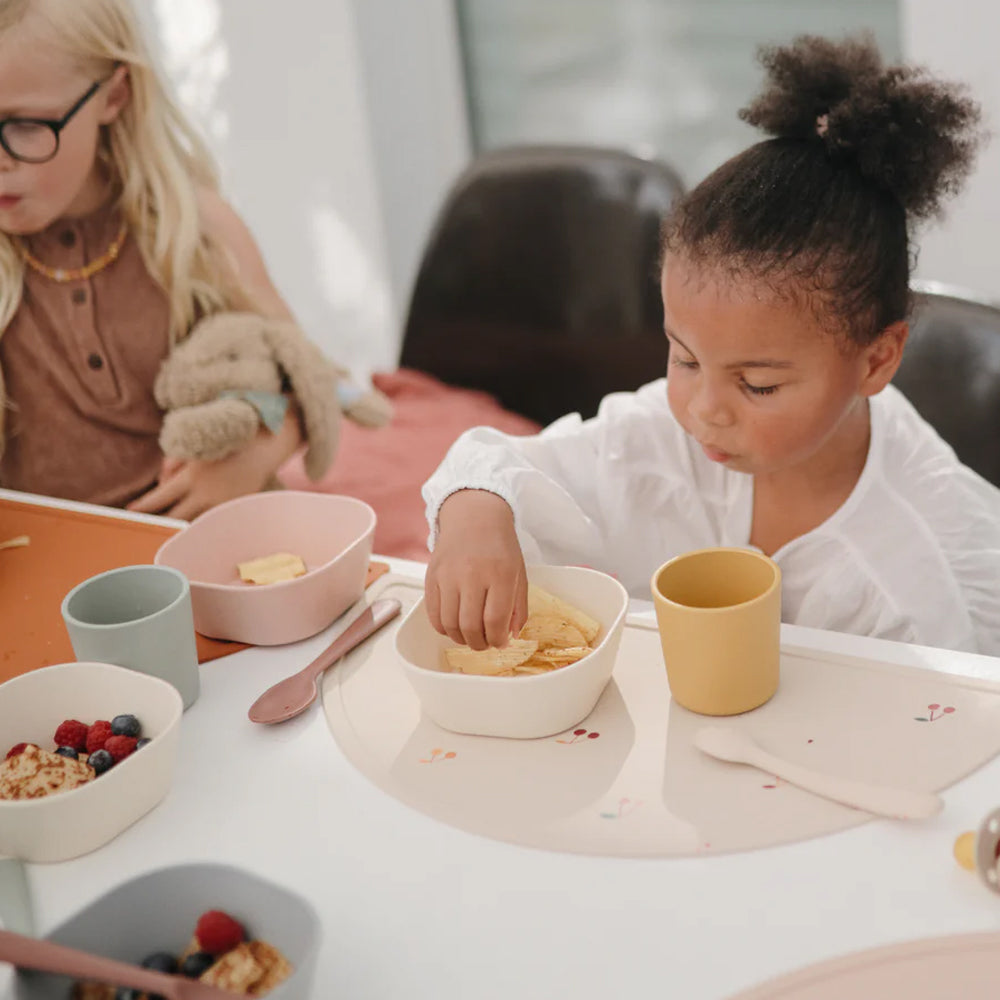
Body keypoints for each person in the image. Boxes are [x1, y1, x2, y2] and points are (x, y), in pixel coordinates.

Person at [421, 34, 1000, 657]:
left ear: (877, 360)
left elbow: (945, 728)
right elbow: (501, 466)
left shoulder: (914, 585)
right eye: (685, 358)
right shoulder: (680, 434)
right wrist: (475, 517)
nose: (704, 409)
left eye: (758, 385)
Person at [0, 0, 332, 519]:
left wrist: (253, 456)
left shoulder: (198, 229)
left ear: (115, 95)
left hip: (216, 549)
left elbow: (312, 380)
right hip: (57, 578)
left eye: (23, 125)